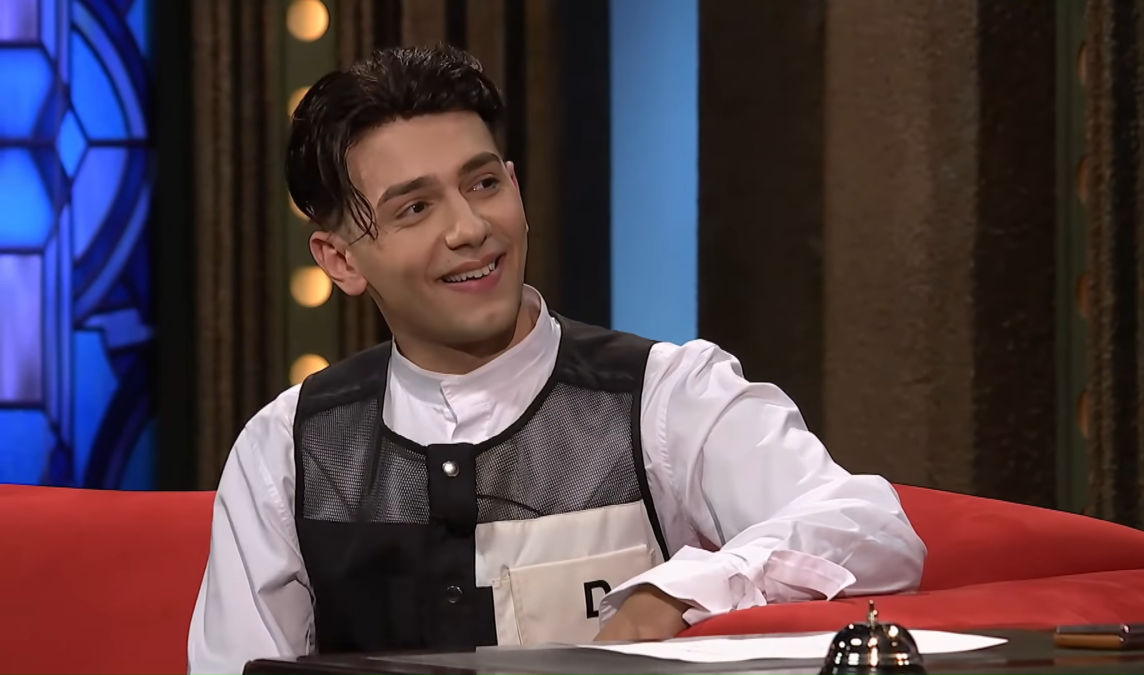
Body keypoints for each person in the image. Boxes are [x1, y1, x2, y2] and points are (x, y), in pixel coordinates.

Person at [186, 44, 926, 674]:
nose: (470, 228)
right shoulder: (287, 449)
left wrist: (677, 592)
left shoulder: (665, 396)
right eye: (415, 208)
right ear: (340, 259)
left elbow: (872, 528)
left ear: (515, 186)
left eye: (483, 184)